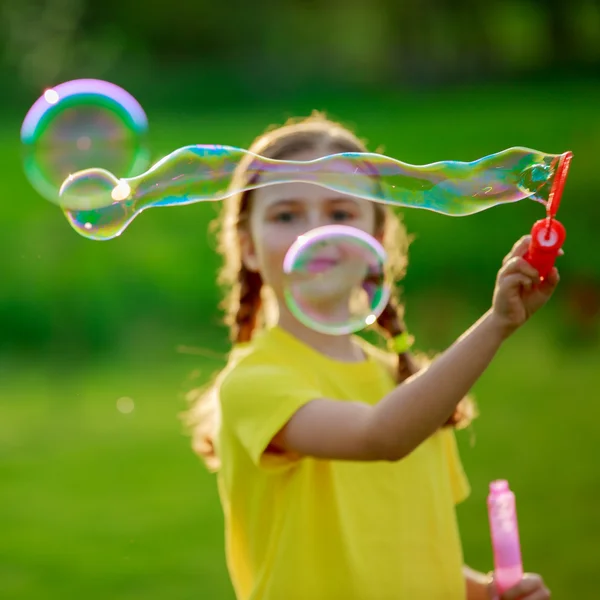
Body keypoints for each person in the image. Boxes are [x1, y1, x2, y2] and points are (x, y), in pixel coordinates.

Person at [185, 112, 555, 600]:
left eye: (340, 213)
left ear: (377, 238)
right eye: (286, 215)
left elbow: (411, 546)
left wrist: (485, 592)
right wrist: (497, 324)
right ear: (247, 248)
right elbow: (380, 435)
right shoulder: (254, 381)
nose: (314, 232)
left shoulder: (411, 387)